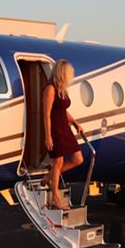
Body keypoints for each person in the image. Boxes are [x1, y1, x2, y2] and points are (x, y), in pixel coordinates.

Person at [42, 59, 84, 209]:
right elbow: (46, 114)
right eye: (69, 73)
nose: (70, 76)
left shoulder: (62, 89)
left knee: (78, 159)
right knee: (57, 163)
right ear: (62, 73)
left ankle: (48, 177)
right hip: (55, 130)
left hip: (65, 129)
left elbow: (63, 111)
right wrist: (48, 136)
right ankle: (55, 197)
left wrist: (75, 123)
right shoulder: (50, 89)